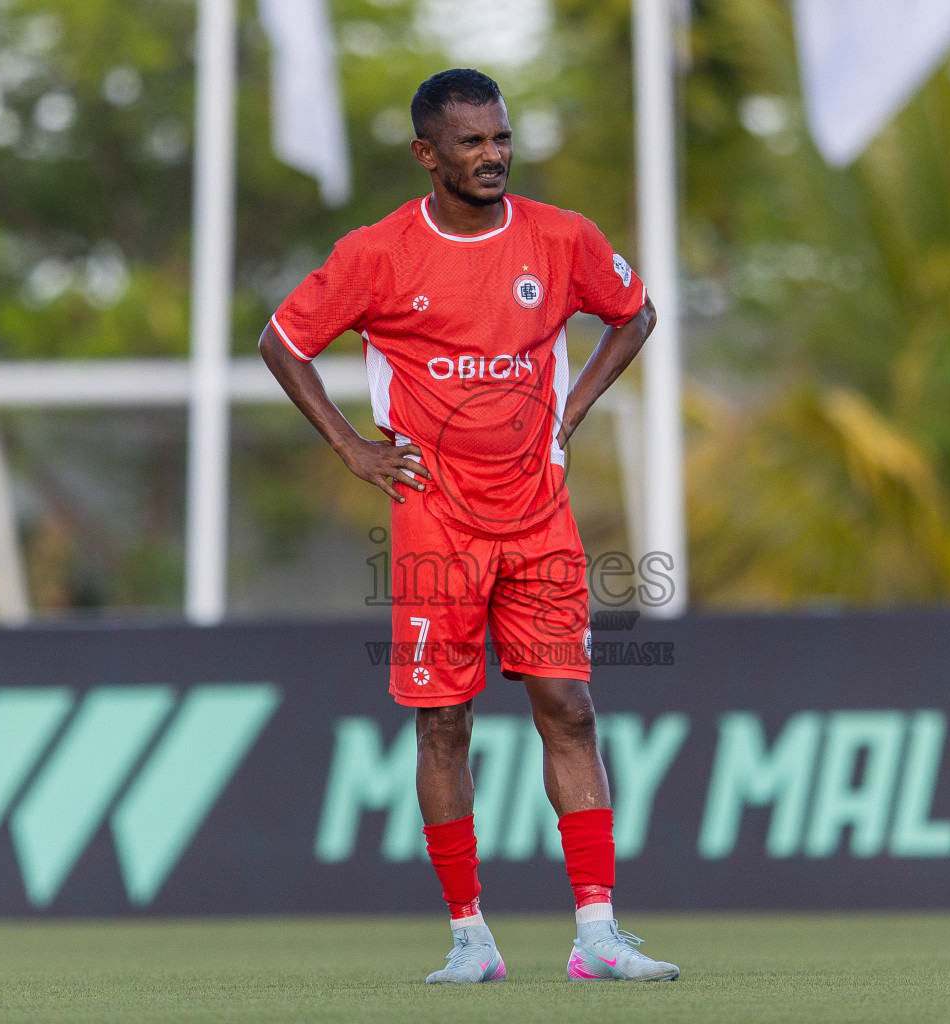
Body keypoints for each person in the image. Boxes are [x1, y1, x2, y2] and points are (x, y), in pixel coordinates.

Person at [259, 68, 678, 984]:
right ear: (427, 154)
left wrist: (572, 408)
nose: (493, 155)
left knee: (568, 709)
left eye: (500, 136)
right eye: (472, 142)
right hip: (435, 527)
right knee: (444, 722)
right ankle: (469, 937)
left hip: (539, 520)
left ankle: (598, 935)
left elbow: (634, 312)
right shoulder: (377, 254)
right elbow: (282, 342)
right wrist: (351, 448)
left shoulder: (561, 237)